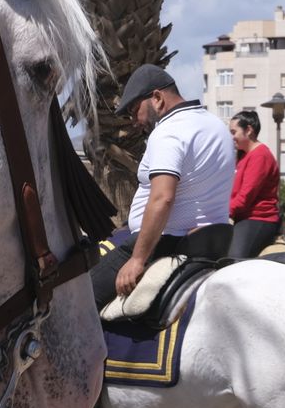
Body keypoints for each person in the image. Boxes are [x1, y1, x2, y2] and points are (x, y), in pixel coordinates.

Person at [90, 64, 235, 308]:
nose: (134, 122)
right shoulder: (216, 125)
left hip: (167, 241)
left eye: (135, 110)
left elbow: (162, 198)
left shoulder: (169, 131)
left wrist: (137, 259)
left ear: (157, 98)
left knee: (82, 299)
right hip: (215, 238)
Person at [226, 109, 281, 258]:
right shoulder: (244, 156)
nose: (231, 137)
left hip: (258, 219)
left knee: (233, 261)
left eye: (233, 132)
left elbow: (245, 197)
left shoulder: (260, 156)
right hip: (243, 218)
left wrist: (222, 212)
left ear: (249, 130)